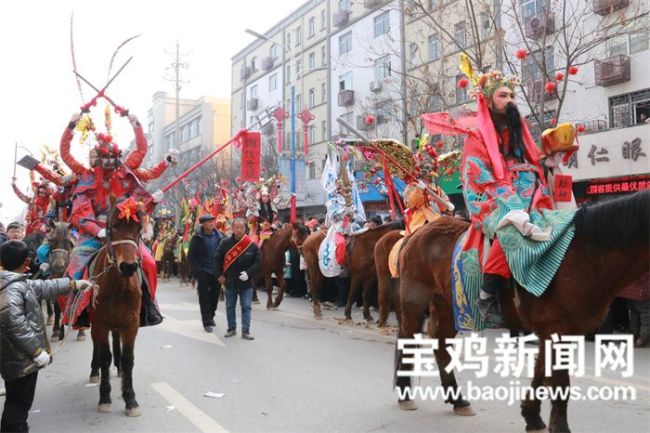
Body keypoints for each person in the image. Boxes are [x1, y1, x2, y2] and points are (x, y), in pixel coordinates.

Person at [0, 240, 91, 433]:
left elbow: (43, 286)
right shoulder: (12, 289)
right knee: (18, 405)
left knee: (18, 403)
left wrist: (73, 283)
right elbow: (16, 326)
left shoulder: (15, 281)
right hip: (20, 360)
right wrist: (36, 351)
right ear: (27, 262)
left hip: (18, 357)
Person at [216, 218, 260, 340]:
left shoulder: (251, 245)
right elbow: (217, 260)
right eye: (237, 227)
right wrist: (219, 275)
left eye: (242, 227)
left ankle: (246, 331)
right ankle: (231, 329)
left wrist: (249, 273)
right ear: (232, 228)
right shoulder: (225, 243)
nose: (239, 230)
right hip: (229, 281)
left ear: (246, 228)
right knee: (230, 306)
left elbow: (257, 262)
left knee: (246, 306)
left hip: (246, 282)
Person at [188, 214, 224, 333]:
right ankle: (206, 322)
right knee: (204, 298)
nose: (211, 224)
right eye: (208, 222)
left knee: (214, 296)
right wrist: (198, 271)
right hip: (203, 272)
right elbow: (191, 256)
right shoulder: (197, 237)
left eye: (212, 222)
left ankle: (211, 316)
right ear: (203, 224)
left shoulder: (220, 236)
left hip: (216, 272)